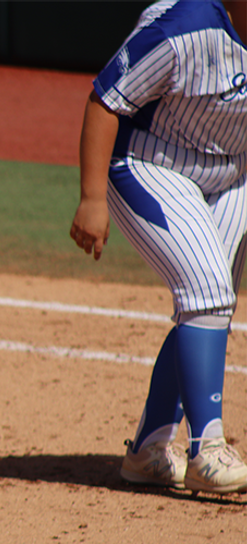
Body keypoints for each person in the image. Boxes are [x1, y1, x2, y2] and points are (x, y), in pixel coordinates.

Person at [69, 0, 247, 494]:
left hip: (234, 173)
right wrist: (91, 198)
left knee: (210, 306)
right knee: (207, 289)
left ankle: (149, 448)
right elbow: (106, 99)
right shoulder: (181, 30)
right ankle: (207, 449)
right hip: (150, 166)